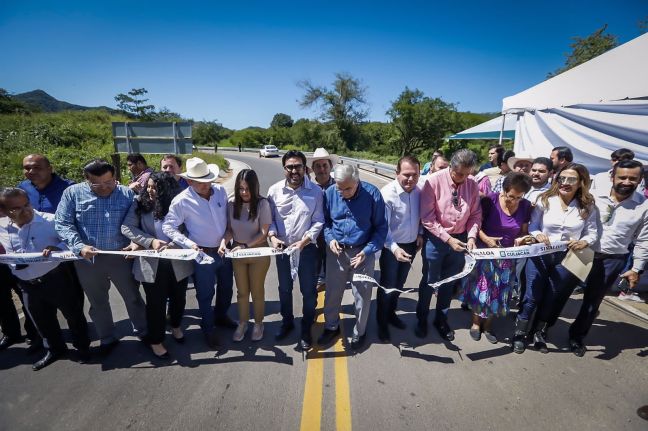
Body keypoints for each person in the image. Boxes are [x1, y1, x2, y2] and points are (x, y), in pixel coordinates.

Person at [55, 159, 148, 356]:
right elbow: (63, 222)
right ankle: (107, 337)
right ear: (86, 179)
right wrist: (79, 247)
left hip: (122, 256)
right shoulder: (72, 193)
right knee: (97, 302)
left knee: (133, 297)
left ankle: (144, 331)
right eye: (97, 184)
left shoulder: (126, 193)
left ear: (115, 177)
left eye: (109, 182)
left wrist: (136, 242)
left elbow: (138, 221)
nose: (105, 187)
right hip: (88, 259)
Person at [513, 163, 599, 354]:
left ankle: (538, 332)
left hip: (567, 257)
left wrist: (584, 242)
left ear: (581, 182)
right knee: (531, 295)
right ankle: (520, 332)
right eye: (562, 178)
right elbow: (533, 225)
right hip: (540, 254)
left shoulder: (587, 206)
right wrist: (537, 234)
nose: (565, 183)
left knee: (552, 296)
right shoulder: (544, 199)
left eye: (571, 179)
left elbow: (592, 232)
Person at [1, 188, 90, 370]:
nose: (25, 211)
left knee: (73, 315)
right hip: (26, 284)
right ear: (4, 211)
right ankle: (55, 349)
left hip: (56, 279)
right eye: (16, 208)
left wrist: (58, 248)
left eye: (26, 204)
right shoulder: (1, 226)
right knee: (41, 320)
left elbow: (73, 241)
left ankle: (83, 348)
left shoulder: (50, 220)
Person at [568, 160, 648, 356]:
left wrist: (636, 268)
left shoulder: (644, 207)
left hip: (612, 259)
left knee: (592, 302)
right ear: (612, 177)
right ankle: (542, 329)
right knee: (560, 292)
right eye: (622, 177)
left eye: (632, 178)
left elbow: (643, 240)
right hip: (581, 253)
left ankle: (576, 337)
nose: (627, 182)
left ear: (640, 180)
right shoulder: (593, 196)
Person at [162, 157, 235, 349]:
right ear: (189, 181)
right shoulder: (182, 201)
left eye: (208, 180)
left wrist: (226, 239)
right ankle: (208, 329)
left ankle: (221, 316)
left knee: (227, 288)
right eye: (200, 182)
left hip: (224, 250)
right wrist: (188, 243)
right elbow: (168, 226)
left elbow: (227, 219)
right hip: (202, 254)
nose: (206, 185)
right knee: (205, 293)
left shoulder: (220, 191)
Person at [121, 172, 192, 359]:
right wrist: (149, 241)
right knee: (156, 304)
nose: (151, 191)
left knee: (178, 298)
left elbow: (189, 228)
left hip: (177, 259)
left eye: (156, 188)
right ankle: (156, 341)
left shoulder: (179, 203)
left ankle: (175, 325)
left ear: (167, 190)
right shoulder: (139, 203)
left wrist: (175, 244)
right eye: (149, 187)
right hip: (151, 263)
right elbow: (127, 227)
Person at [318, 164, 387, 350]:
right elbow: (325, 222)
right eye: (339, 188)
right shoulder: (330, 193)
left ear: (357, 181)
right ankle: (331, 327)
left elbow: (381, 228)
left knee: (362, 295)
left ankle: (360, 331)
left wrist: (367, 251)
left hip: (362, 252)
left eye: (347, 188)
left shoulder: (372, 195)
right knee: (332, 293)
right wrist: (330, 239)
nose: (342, 193)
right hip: (336, 252)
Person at [416, 149, 482, 341]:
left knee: (449, 282)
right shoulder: (433, 181)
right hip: (436, 239)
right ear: (451, 167)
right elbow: (427, 218)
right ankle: (421, 318)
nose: (463, 178)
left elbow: (475, 214)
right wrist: (448, 239)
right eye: (459, 174)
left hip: (460, 239)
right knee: (429, 281)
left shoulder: (472, 184)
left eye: (467, 174)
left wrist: (471, 237)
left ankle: (441, 319)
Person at [464, 173, 533, 343]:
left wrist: (523, 239)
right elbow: (475, 224)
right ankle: (475, 323)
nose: (514, 201)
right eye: (511, 196)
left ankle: (488, 325)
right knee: (481, 289)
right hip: (485, 254)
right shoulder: (490, 201)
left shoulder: (525, 206)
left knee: (499, 291)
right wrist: (487, 239)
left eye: (519, 197)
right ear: (504, 190)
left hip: (507, 258)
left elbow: (524, 231)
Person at [267, 151, 324, 350]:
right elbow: (270, 219)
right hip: (283, 250)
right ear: (284, 169)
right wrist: (273, 237)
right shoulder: (274, 191)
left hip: (306, 249)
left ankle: (306, 327)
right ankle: (287, 322)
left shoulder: (316, 192)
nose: (294, 171)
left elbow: (318, 221)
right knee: (284, 289)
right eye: (289, 167)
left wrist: (303, 241)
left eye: (298, 166)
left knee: (308, 291)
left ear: (304, 168)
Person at [221, 169, 272, 342]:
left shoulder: (262, 204)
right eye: (241, 189)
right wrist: (224, 242)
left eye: (248, 189)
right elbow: (229, 230)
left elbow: (264, 233)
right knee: (242, 292)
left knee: (257, 291)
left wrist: (245, 245)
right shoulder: (231, 204)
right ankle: (243, 322)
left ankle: (258, 323)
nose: (244, 193)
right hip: (238, 253)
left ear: (255, 187)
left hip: (258, 252)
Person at [377, 156, 423, 343]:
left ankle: (391, 314)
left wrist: (420, 234)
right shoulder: (387, 194)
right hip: (391, 247)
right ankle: (381, 322)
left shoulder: (420, 192)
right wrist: (394, 248)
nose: (410, 179)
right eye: (406, 174)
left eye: (415, 175)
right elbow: (382, 227)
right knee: (388, 286)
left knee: (399, 284)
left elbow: (423, 216)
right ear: (397, 173)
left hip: (411, 245)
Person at [308, 148, 338, 290]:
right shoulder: (309, 188)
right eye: (318, 166)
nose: (322, 169)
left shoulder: (340, 186)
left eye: (325, 165)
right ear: (313, 169)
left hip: (334, 230)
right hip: (314, 231)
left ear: (330, 167)